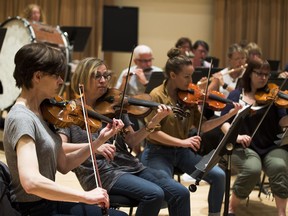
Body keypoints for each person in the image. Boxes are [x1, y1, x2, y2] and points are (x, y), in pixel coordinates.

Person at [3, 43, 127, 216]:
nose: (61, 81)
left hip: (49, 203)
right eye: (56, 76)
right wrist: (84, 196)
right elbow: (30, 182)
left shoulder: (44, 111)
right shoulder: (21, 118)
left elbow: (64, 165)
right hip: (33, 210)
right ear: (37, 76)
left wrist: (98, 141)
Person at [58, 57, 191, 216]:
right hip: (101, 173)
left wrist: (155, 120)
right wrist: (94, 147)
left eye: (105, 76)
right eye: (97, 76)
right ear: (82, 78)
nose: (103, 80)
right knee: (154, 194)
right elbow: (61, 147)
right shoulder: (70, 111)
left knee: (181, 193)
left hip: (129, 165)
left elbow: (132, 140)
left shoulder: (114, 105)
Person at [140, 48, 242, 216]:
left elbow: (203, 126)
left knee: (219, 175)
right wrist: (184, 142)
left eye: (191, 76)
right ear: (173, 75)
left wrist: (229, 115)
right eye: (186, 77)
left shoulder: (190, 97)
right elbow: (152, 133)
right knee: (175, 190)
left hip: (181, 152)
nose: (191, 81)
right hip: (158, 153)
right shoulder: (156, 95)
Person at [220, 58, 288, 216]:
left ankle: (281, 212)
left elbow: (283, 122)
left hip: (270, 146)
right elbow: (224, 122)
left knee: (279, 166)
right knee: (252, 169)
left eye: (267, 74)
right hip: (242, 146)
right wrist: (236, 137)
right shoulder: (237, 94)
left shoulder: (273, 95)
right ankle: (231, 208)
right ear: (250, 73)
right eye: (259, 74)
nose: (264, 77)